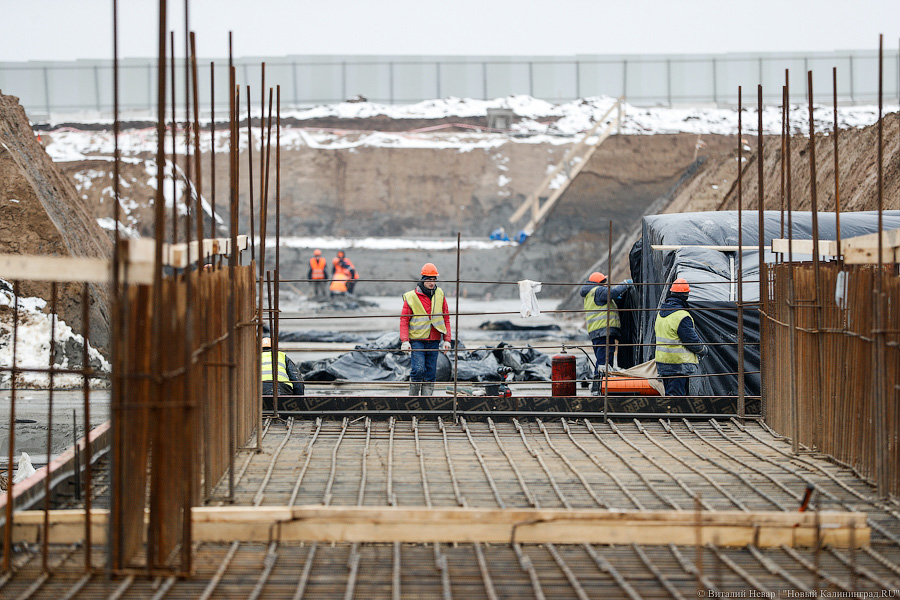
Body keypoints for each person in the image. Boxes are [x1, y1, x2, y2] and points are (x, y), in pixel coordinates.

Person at [399, 263, 452, 396]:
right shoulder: (411, 297)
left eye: (434, 279)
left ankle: (426, 402)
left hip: (434, 340)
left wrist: (447, 340)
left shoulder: (440, 294)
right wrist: (405, 341)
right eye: (429, 279)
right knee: (418, 369)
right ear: (422, 279)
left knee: (431, 372)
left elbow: (446, 318)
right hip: (417, 340)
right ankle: (413, 400)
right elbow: (404, 320)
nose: (432, 282)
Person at [580, 271, 632, 395]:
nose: (606, 285)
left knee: (603, 360)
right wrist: (625, 284)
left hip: (598, 332)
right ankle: (599, 388)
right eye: (605, 283)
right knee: (604, 361)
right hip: (603, 331)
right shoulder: (598, 291)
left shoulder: (592, 293)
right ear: (600, 283)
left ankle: (601, 386)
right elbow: (612, 293)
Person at [654, 278, 707, 397]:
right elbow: (691, 341)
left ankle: (672, 415)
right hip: (678, 364)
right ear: (685, 295)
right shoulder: (681, 316)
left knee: (671, 396)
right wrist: (703, 350)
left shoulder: (661, 313)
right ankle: (674, 416)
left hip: (663, 362)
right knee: (677, 399)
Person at [261, 337, 303, 409]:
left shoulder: (252, 357)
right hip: (281, 389)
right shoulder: (282, 356)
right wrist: (300, 401)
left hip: (257, 390)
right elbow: (296, 379)